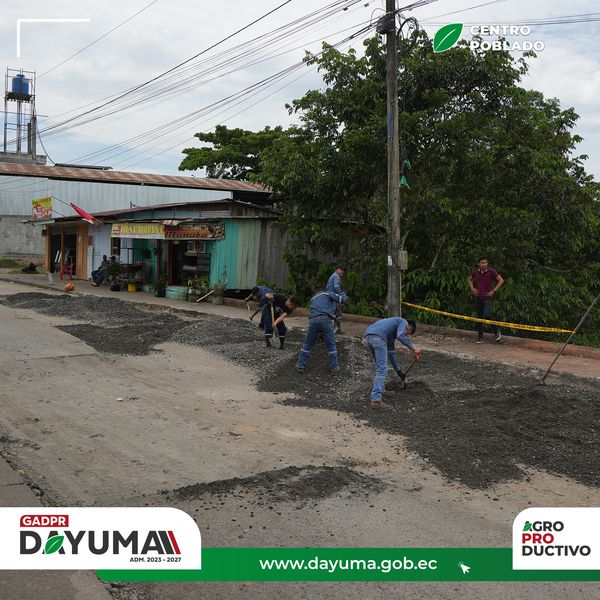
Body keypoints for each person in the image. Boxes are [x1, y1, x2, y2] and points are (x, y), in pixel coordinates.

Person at [363, 317, 421, 411]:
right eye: (408, 333)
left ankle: (381, 390)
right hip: (378, 337)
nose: (406, 334)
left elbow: (391, 354)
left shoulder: (390, 333)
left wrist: (398, 371)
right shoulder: (403, 321)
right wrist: (413, 348)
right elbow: (400, 335)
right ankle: (376, 400)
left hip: (369, 336)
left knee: (380, 366)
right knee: (382, 369)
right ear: (410, 327)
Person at [296, 288, 348, 374]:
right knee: (331, 345)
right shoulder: (328, 294)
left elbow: (320, 309)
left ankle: (300, 365)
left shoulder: (313, 298)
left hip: (313, 320)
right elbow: (341, 299)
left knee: (308, 343)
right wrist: (343, 294)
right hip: (325, 320)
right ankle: (334, 368)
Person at [468, 257, 505, 344]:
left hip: (487, 297)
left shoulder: (491, 271)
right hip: (478, 297)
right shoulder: (476, 272)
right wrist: (472, 288)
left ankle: (497, 332)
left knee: (487, 314)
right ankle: (480, 338)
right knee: (479, 318)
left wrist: (494, 291)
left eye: (485, 263)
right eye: (482, 263)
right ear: (479, 264)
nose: (484, 264)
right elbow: (469, 279)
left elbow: (501, 280)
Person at [326, 265, 347, 333]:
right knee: (338, 313)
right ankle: (336, 329)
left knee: (333, 313)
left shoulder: (333, 275)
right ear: (337, 269)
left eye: (343, 270)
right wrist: (341, 294)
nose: (342, 271)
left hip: (330, 297)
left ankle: (333, 329)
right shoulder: (336, 276)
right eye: (341, 270)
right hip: (334, 297)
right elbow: (336, 286)